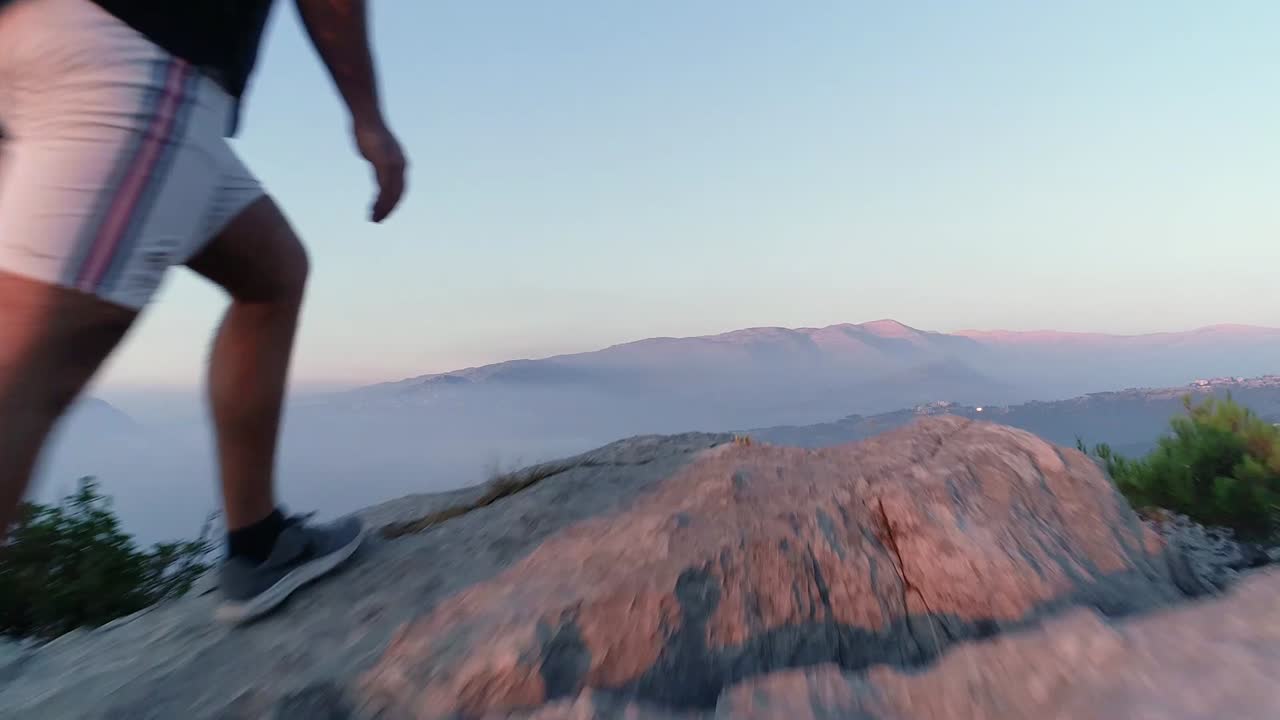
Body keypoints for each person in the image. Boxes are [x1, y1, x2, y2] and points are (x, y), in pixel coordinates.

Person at [0, 0, 407, 623]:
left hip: (44, 49)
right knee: (29, 366)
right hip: (139, 55)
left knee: (272, 273)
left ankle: (259, 542)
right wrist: (367, 118)